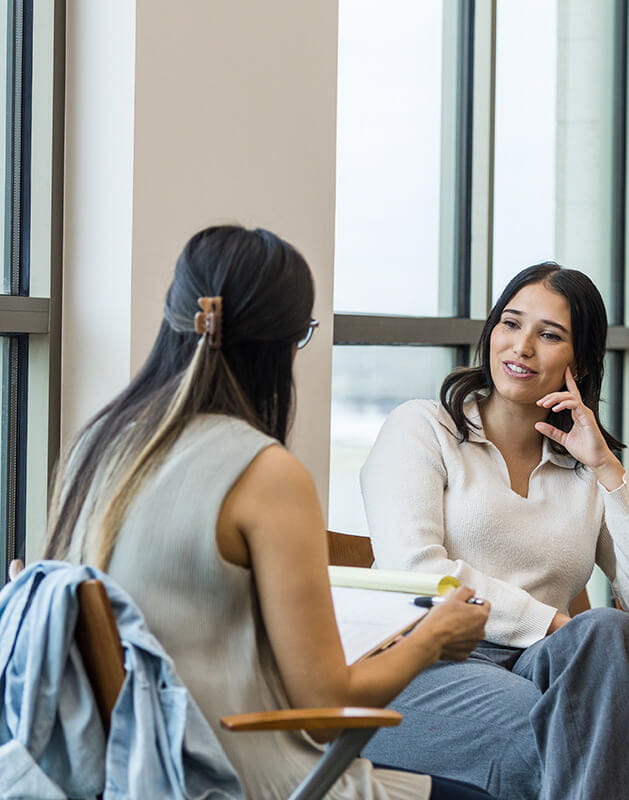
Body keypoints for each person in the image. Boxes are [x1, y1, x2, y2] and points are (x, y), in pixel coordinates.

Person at [42, 224, 496, 800]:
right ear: (280, 344)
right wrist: (434, 635)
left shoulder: (99, 447)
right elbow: (326, 704)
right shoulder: (264, 473)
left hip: (132, 772)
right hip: (235, 773)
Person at [357, 262, 629, 800]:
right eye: (511, 324)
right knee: (575, 734)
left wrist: (608, 470)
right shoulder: (425, 428)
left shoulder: (583, 466)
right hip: (420, 665)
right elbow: (416, 569)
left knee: (609, 631)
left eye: (549, 335)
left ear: (581, 361)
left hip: (537, 670)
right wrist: (551, 623)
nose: (521, 347)